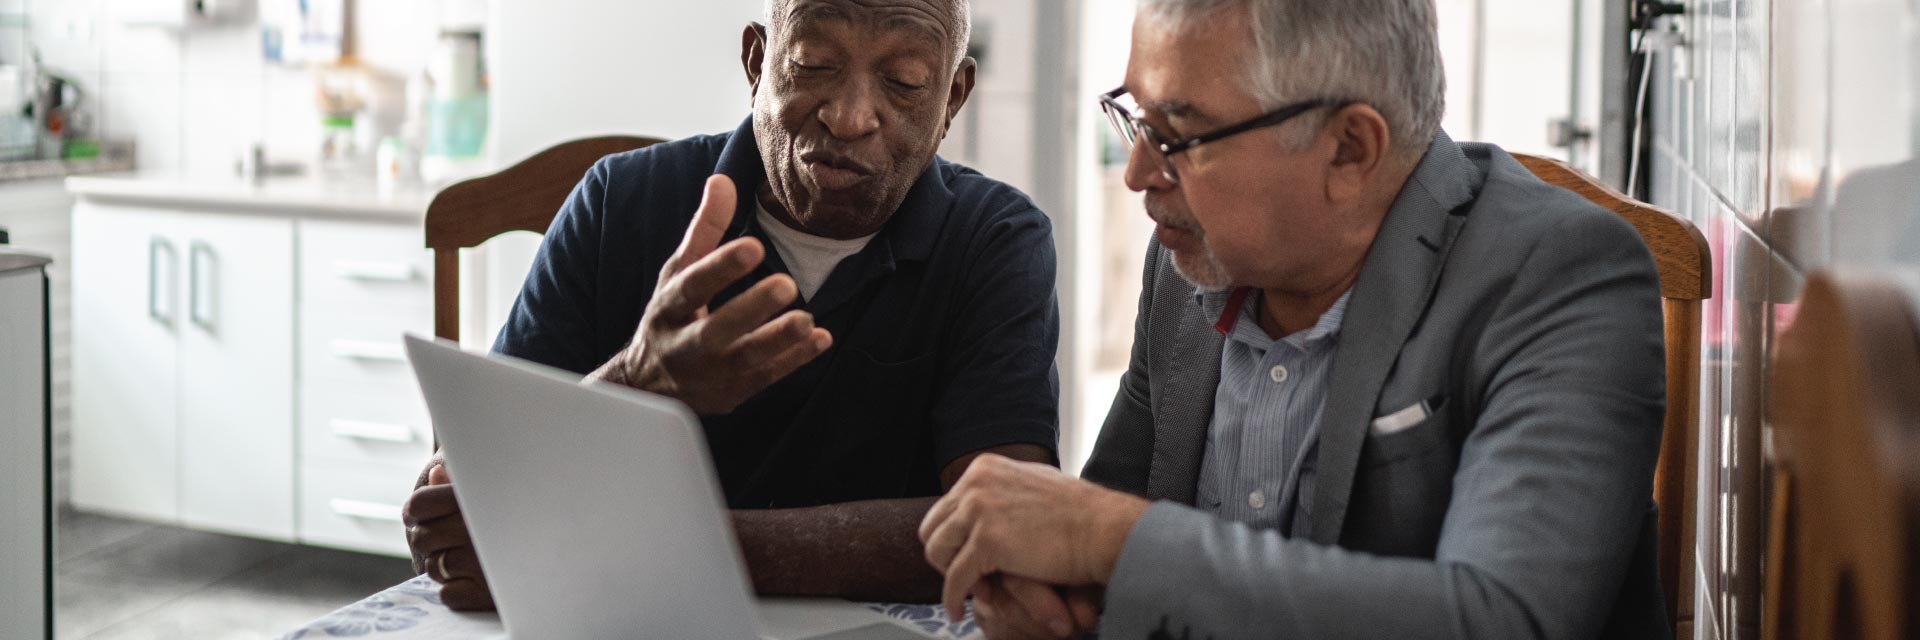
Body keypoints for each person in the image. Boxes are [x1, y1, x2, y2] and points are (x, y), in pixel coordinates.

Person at [917, 0, 1670, 637]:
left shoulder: (1560, 274)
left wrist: (1108, 539)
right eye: (1136, 119)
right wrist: (1054, 598)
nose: (1141, 175)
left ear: (1350, 148)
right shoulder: (1191, 262)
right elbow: (1111, 537)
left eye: (1178, 135)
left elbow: (1500, 618)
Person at [402, 0, 1062, 611]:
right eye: (812, 66)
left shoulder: (993, 239)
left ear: (953, 97)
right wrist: (639, 380)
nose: (850, 115)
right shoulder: (618, 204)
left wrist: (613, 547)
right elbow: (470, 502)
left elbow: (1008, 530)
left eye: (906, 80)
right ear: (757, 61)